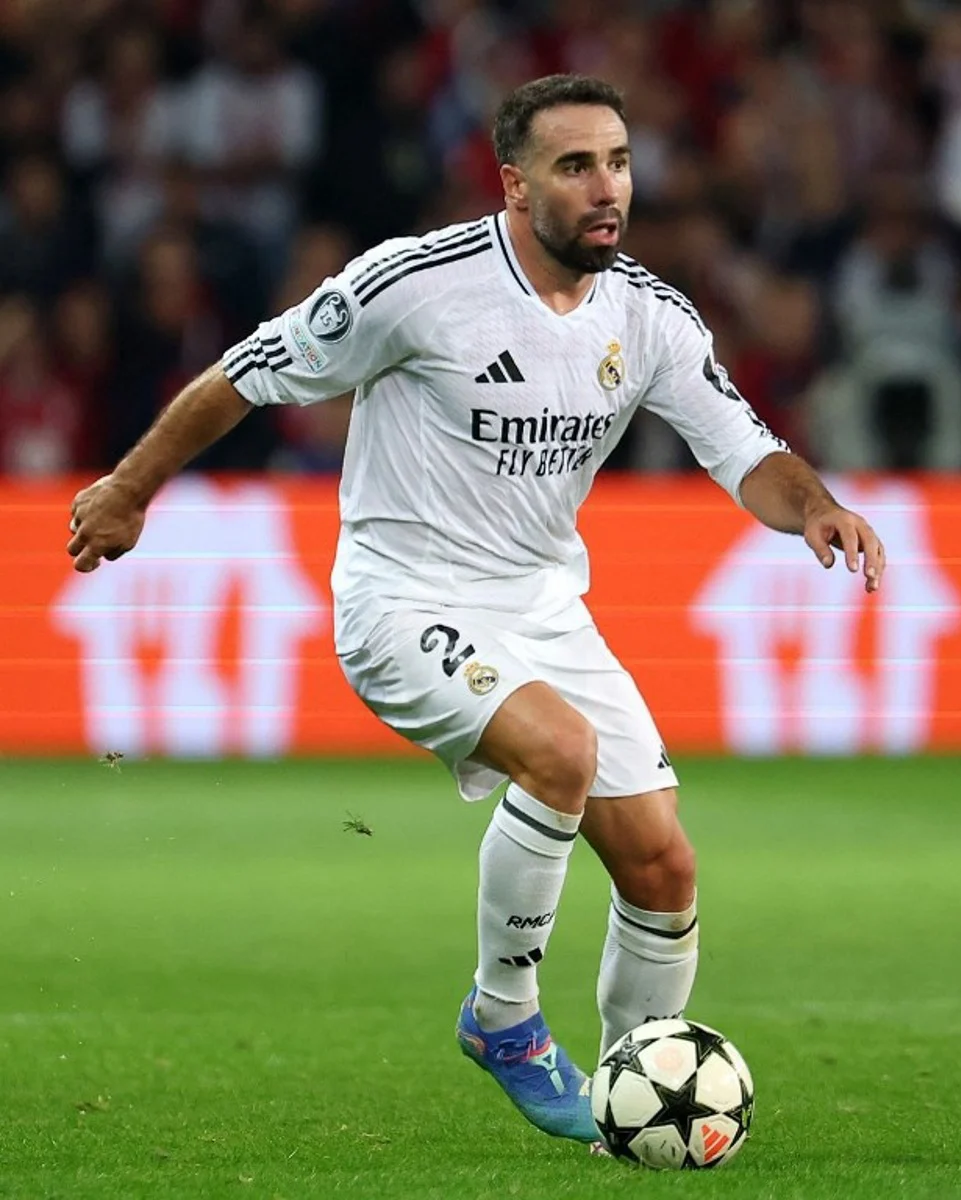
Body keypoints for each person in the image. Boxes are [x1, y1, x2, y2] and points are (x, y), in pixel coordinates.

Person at [66, 75, 886, 1147]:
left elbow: (744, 451)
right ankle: (504, 1015)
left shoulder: (647, 316)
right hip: (402, 600)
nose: (609, 189)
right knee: (561, 750)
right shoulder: (418, 285)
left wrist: (815, 505)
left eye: (621, 162)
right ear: (514, 183)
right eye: (577, 166)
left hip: (543, 605)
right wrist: (130, 488)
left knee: (662, 864)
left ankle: (632, 1110)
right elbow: (247, 372)